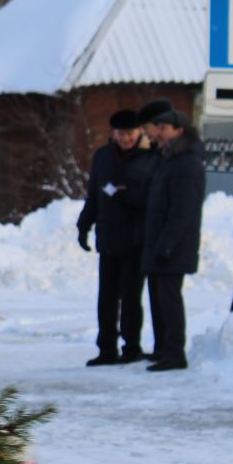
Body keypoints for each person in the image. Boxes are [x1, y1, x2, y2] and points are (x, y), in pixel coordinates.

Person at [76, 109, 158, 365]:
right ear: (114, 133)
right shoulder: (103, 157)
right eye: (121, 134)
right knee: (107, 298)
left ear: (139, 132)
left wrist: (127, 194)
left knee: (132, 297)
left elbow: (152, 197)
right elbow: (94, 196)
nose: (126, 138)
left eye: (130, 133)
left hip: (136, 240)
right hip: (109, 238)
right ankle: (107, 348)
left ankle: (131, 347)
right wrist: (84, 225)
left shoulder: (150, 158)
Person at [141, 107, 206, 372]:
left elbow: (183, 209)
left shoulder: (187, 163)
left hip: (173, 246)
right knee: (159, 297)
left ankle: (175, 353)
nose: (159, 133)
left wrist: (167, 242)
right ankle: (165, 349)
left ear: (179, 131)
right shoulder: (169, 159)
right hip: (161, 242)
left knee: (170, 299)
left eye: (164, 129)